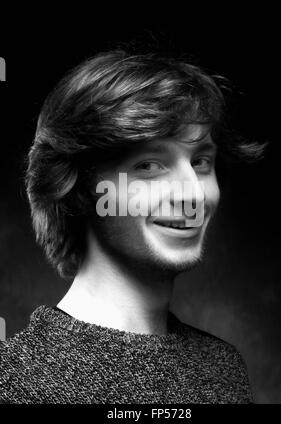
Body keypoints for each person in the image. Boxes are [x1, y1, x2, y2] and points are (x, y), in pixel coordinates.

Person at [0, 50, 263, 404]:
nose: (193, 194)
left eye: (201, 161)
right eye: (150, 165)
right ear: (79, 189)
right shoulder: (15, 381)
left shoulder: (223, 369)